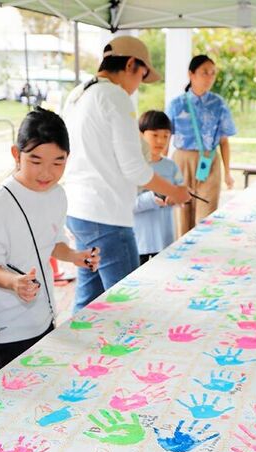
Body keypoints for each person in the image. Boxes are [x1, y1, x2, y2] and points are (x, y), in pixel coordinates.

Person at [0, 108, 98, 375]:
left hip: (42, 315)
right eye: (36, 161)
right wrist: (14, 283)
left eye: (57, 163)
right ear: (16, 154)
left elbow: (52, 242)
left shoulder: (57, 195)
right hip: (7, 325)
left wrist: (76, 256)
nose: (46, 172)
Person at [62, 35, 191, 312]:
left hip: (78, 211)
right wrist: (175, 191)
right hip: (106, 216)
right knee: (126, 304)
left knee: (88, 300)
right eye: (141, 76)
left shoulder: (79, 92)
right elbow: (134, 169)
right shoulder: (114, 95)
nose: (136, 88)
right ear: (131, 64)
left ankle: (76, 352)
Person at [166, 54, 237, 236]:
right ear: (191, 74)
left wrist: (228, 172)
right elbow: (165, 138)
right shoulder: (176, 104)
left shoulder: (219, 104)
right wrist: (163, 169)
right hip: (181, 161)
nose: (209, 77)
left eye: (213, 73)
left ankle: (202, 256)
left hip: (210, 160)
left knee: (206, 214)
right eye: (205, 72)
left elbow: (224, 140)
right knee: (182, 212)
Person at [134, 110, 183, 264]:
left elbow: (180, 191)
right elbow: (127, 204)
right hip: (139, 241)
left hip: (164, 240)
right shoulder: (134, 167)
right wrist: (152, 199)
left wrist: (176, 198)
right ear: (141, 135)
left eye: (165, 136)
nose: (160, 141)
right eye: (154, 135)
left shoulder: (171, 166)